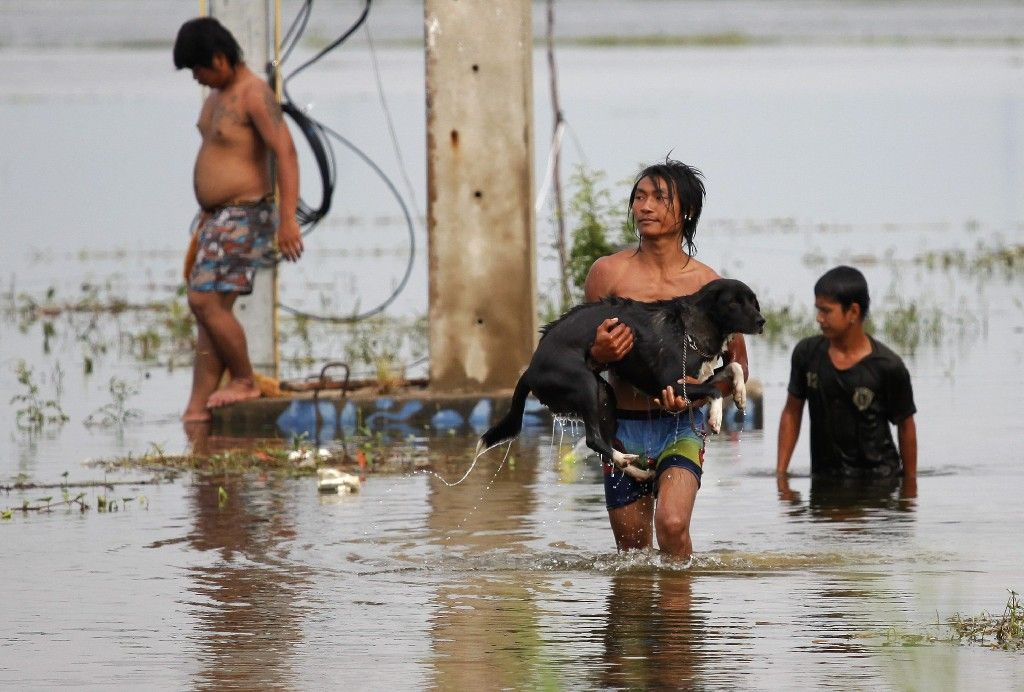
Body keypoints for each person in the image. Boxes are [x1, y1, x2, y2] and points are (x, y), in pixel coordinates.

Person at [584, 158, 749, 561]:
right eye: (639, 197)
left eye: (659, 198)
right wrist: (597, 354)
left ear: (687, 211)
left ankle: (681, 624)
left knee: (673, 526)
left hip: (683, 427)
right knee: (632, 554)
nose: (645, 207)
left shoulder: (709, 285)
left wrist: (694, 397)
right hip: (623, 428)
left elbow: (735, 368)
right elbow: (577, 358)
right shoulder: (607, 275)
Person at [173, 17, 303, 423]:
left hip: (244, 213)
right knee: (210, 312)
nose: (197, 78)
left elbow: (286, 152)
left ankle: (244, 378)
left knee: (204, 300)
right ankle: (197, 409)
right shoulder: (216, 95)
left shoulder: (253, 94)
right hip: (215, 217)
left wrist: (287, 221)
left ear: (220, 58)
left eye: (199, 68)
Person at [776, 266, 918, 496]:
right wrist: (781, 476)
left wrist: (910, 487)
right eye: (817, 309)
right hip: (824, 480)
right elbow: (792, 410)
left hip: (879, 483)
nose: (819, 318)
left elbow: (906, 425)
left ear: (852, 312)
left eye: (826, 311)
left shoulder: (887, 366)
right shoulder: (807, 354)